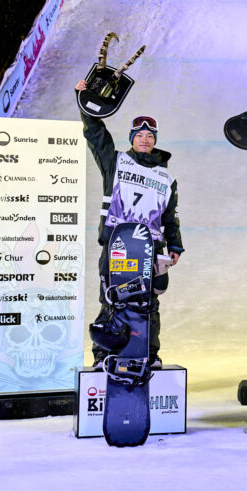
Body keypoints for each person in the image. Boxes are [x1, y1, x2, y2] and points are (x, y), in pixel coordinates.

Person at [75, 79, 184, 367]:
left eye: (150, 135)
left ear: (155, 141)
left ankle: (149, 353)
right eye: (140, 135)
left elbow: (170, 216)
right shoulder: (117, 162)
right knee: (112, 300)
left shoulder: (166, 177)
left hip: (150, 248)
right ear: (132, 138)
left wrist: (174, 245)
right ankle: (104, 355)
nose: (145, 139)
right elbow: (96, 135)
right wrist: (85, 103)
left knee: (148, 304)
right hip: (116, 245)